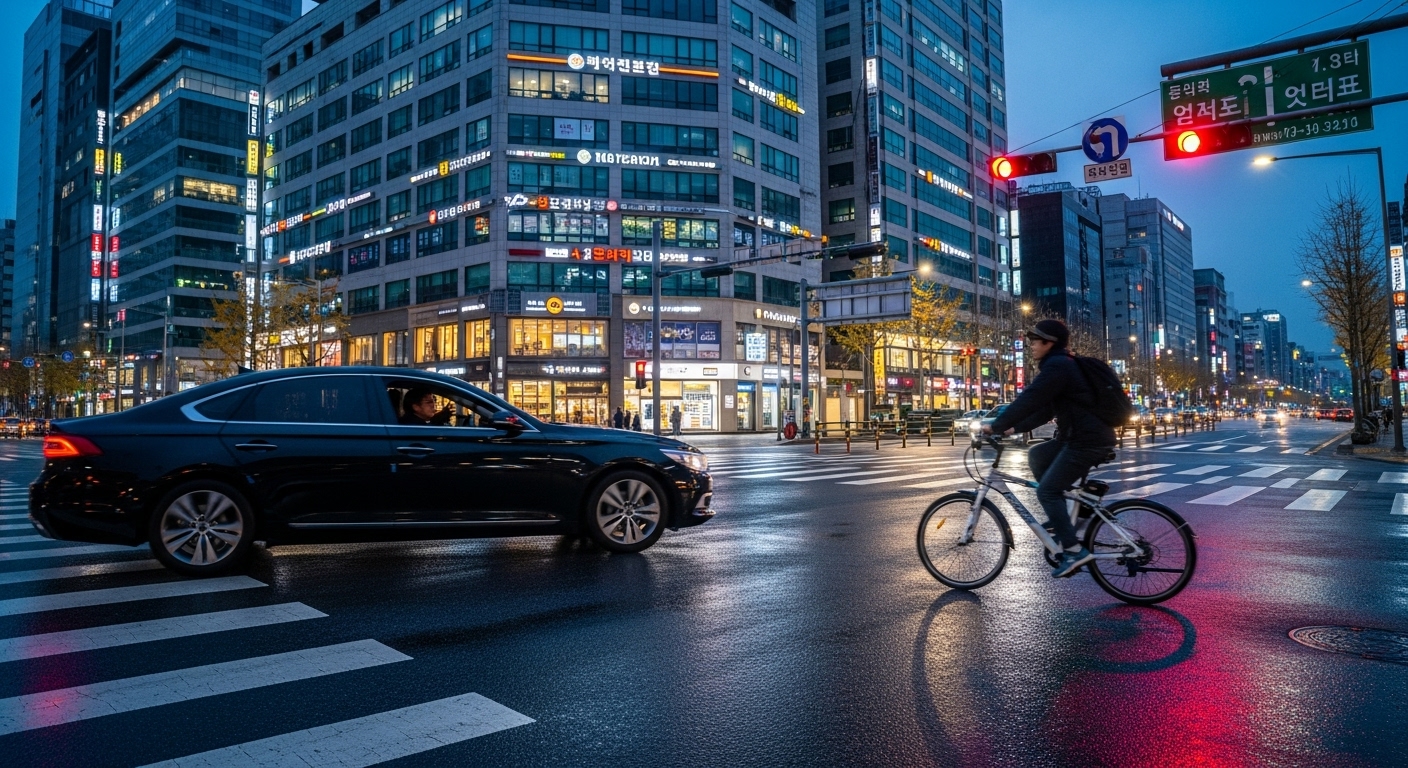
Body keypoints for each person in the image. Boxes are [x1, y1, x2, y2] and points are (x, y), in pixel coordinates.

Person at [982, 319, 1116, 579]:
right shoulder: (1062, 366)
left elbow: (1029, 399)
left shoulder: (1058, 366)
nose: (1030, 346)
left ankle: (1074, 550)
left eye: (1035, 341)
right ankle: (1068, 516)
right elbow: (1045, 410)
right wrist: (1012, 429)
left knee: (1047, 491)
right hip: (1078, 437)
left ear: (1049, 343)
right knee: (1037, 454)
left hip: (1086, 440)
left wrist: (997, 425)